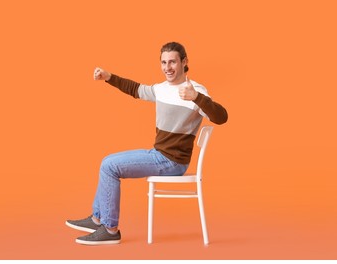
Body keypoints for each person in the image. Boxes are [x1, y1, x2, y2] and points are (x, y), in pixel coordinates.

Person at [66, 42, 228, 245]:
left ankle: (110, 229)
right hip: (159, 155)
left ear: (184, 62)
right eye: (163, 62)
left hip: (172, 161)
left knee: (109, 166)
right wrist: (109, 77)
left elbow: (221, 117)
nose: (167, 67)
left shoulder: (194, 90)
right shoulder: (161, 89)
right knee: (107, 161)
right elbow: (135, 89)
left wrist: (197, 98)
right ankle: (97, 218)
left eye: (172, 62)